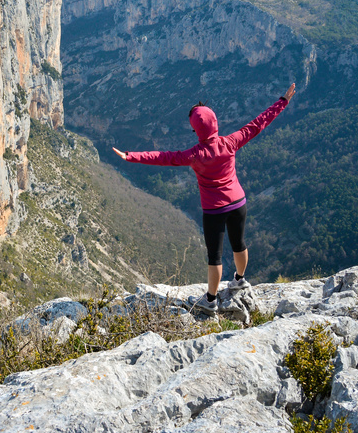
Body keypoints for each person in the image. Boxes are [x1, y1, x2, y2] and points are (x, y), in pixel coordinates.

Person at [112, 84, 297, 315]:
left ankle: (210, 301)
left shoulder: (193, 155)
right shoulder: (231, 141)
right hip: (238, 202)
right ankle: (239, 280)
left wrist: (130, 156)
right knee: (239, 244)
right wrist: (283, 101)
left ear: (196, 131)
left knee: (215, 256)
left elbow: (163, 158)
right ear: (216, 123)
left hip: (214, 210)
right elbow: (259, 123)